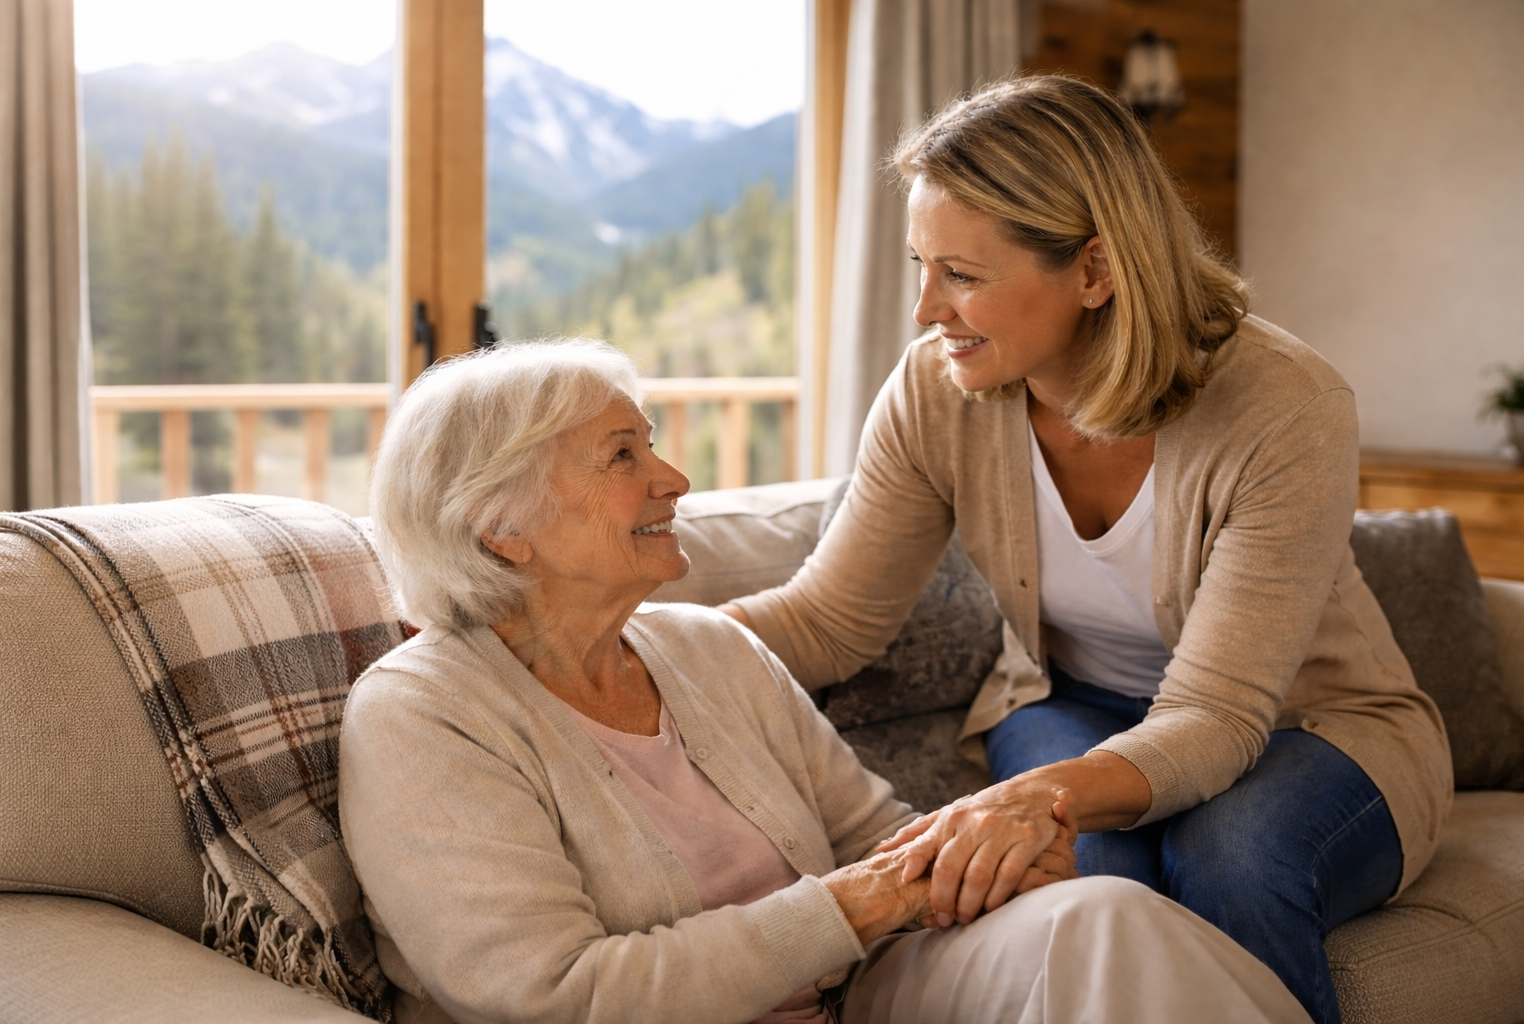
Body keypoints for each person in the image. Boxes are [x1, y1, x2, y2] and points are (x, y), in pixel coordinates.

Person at [720, 75, 1452, 1024]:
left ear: (1097, 271)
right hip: (1074, 708)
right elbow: (831, 620)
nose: (924, 311)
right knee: (1078, 876)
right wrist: (644, 646)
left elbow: (1218, 717)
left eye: (963, 275)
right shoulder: (937, 390)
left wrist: (1038, 796)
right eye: (920, 265)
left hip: (1308, 727)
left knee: (1231, 861)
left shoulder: (1286, 408)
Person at [338, 339, 1311, 1024]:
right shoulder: (422, 715)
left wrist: (982, 868)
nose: (674, 477)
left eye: (653, 443)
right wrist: (862, 904)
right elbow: (555, 994)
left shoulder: (704, 647)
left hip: (855, 996)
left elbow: (878, 840)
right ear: (501, 527)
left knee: (1099, 919)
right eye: (623, 455)